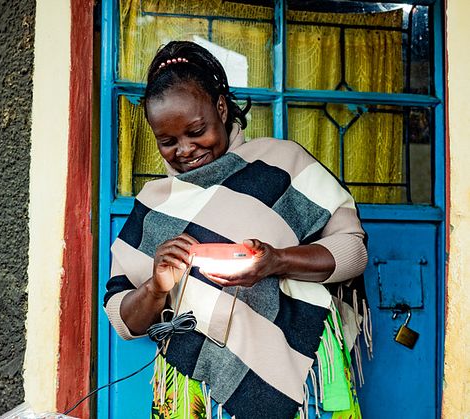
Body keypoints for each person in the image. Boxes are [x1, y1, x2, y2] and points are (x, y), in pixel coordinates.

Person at [104, 41, 370, 419]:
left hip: (298, 372)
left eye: (197, 131)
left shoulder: (282, 164)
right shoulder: (153, 204)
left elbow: (354, 253)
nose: (186, 149)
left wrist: (275, 261)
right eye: (168, 141)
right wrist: (156, 287)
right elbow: (122, 319)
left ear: (221, 108)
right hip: (195, 386)